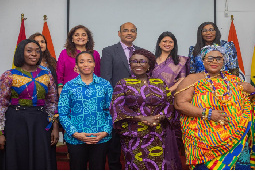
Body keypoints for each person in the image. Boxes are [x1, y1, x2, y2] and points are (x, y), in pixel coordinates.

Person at [174, 45, 255, 170]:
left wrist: (253, 91)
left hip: (237, 141)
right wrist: (208, 114)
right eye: (210, 58)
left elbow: (248, 105)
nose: (214, 61)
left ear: (224, 61)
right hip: (204, 144)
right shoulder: (192, 79)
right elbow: (179, 104)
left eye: (218, 58)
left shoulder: (233, 80)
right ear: (203, 60)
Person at [110, 49, 182, 170]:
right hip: (133, 135)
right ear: (130, 64)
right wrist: (142, 118)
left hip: (157, 134)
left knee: (158, 165)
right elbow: (117, 107)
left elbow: (170, 103)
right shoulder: (123, 83)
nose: (138, 64)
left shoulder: (159, 83)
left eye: (142, 61)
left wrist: (160, 117)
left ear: (149, 65)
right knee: (137, 165)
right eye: (134, 61)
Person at [0, 39, 58, 169]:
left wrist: (55, 127)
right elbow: (1, 105)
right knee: (18, 158)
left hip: (41, 122)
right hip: (16, 121)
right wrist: (0, 133)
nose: (34, 54)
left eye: (37, 51)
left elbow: (52, 102)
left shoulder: (47, 75)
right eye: (29, 50)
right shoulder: (9, 75)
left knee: (40, 158)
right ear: (21, 52)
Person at [58, 51, 113, 170]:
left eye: (89, 61)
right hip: (76, 138)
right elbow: (62, 113)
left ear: (94, 64)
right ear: (76, 66)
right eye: (81, 62)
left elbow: (112, 111)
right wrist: (75, 133)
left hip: (100, 137)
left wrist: (105, 132)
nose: (86, 64)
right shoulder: (69, 86)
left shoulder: (105, 85)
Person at [101, 22, 141, 169]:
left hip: (139, 105)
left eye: (132, 31)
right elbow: (106, 79)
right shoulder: (109, 51)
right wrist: (115, 103)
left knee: (137, 142)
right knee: (115, 144)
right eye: (125, 30)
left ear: (136, 34)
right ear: (119, 33)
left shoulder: (142, 52)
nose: (129, 33)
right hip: (117, 104)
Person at [29, 32, 59, 168]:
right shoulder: (25, 64)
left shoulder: (52, 62)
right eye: (37, 41)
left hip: (50, 105)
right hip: (31, 107)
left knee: (48, 142)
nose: (40, 44)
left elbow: (56, 86)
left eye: (42, 41)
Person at [56, 25, 101, 95]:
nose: (80, 37)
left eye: (83, 35)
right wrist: (60, 89)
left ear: (88, 38)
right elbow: (59, 74)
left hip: (91, 92)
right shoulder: (64, 53)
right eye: (77, 35)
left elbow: (98, 74)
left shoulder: (95, 54)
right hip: (70, 92)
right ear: (72, 39)